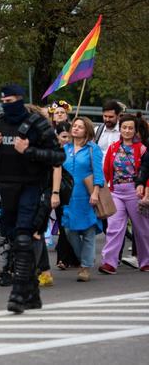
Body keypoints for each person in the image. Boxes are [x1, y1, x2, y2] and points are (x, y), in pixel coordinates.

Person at [0, 84, 65, 314]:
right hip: (6, 189)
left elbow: (59, 156)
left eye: (11, 101)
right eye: (4, 102)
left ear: (20, 99)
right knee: (12, 237)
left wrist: (28, 151)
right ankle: (33, 293)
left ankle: (18, 293)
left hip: (31, 187)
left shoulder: (38, 124)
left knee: (23, 237)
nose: (7, 105)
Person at [99, 114, 149, 274]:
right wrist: (103, 189)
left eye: (130, 128)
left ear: (135, 130)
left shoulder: (142, 149)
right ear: (120, 129)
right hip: (116, 191)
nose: (127, 131)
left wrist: (145, 188)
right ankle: (109, 262)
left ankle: (146, 261)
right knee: (114, 227)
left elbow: (146, 172)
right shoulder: (113, 147)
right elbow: (106, 171)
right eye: (124, 127)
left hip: (136, 191)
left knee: (142, 229)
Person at [61, 117, 104, 282]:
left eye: (80, 127)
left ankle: (85, 267)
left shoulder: (93, 149)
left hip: (86, 195)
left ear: (87, 130)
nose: (76, 129)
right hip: (68, 196)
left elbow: (98, 173)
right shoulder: (66, 148)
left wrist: (95, 192)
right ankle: (84, 258)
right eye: (74, 126)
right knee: (69, 230)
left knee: (88, 231)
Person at [52, 122, 80, 271]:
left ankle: (74, 256)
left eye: (69, 137)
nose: (67, 140)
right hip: (60, 191)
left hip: (77, 191)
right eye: (63, 137)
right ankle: (62, 258)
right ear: (57, 136)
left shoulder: (76, 150)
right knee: (63, 223)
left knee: (73, 224)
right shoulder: (53, 151)